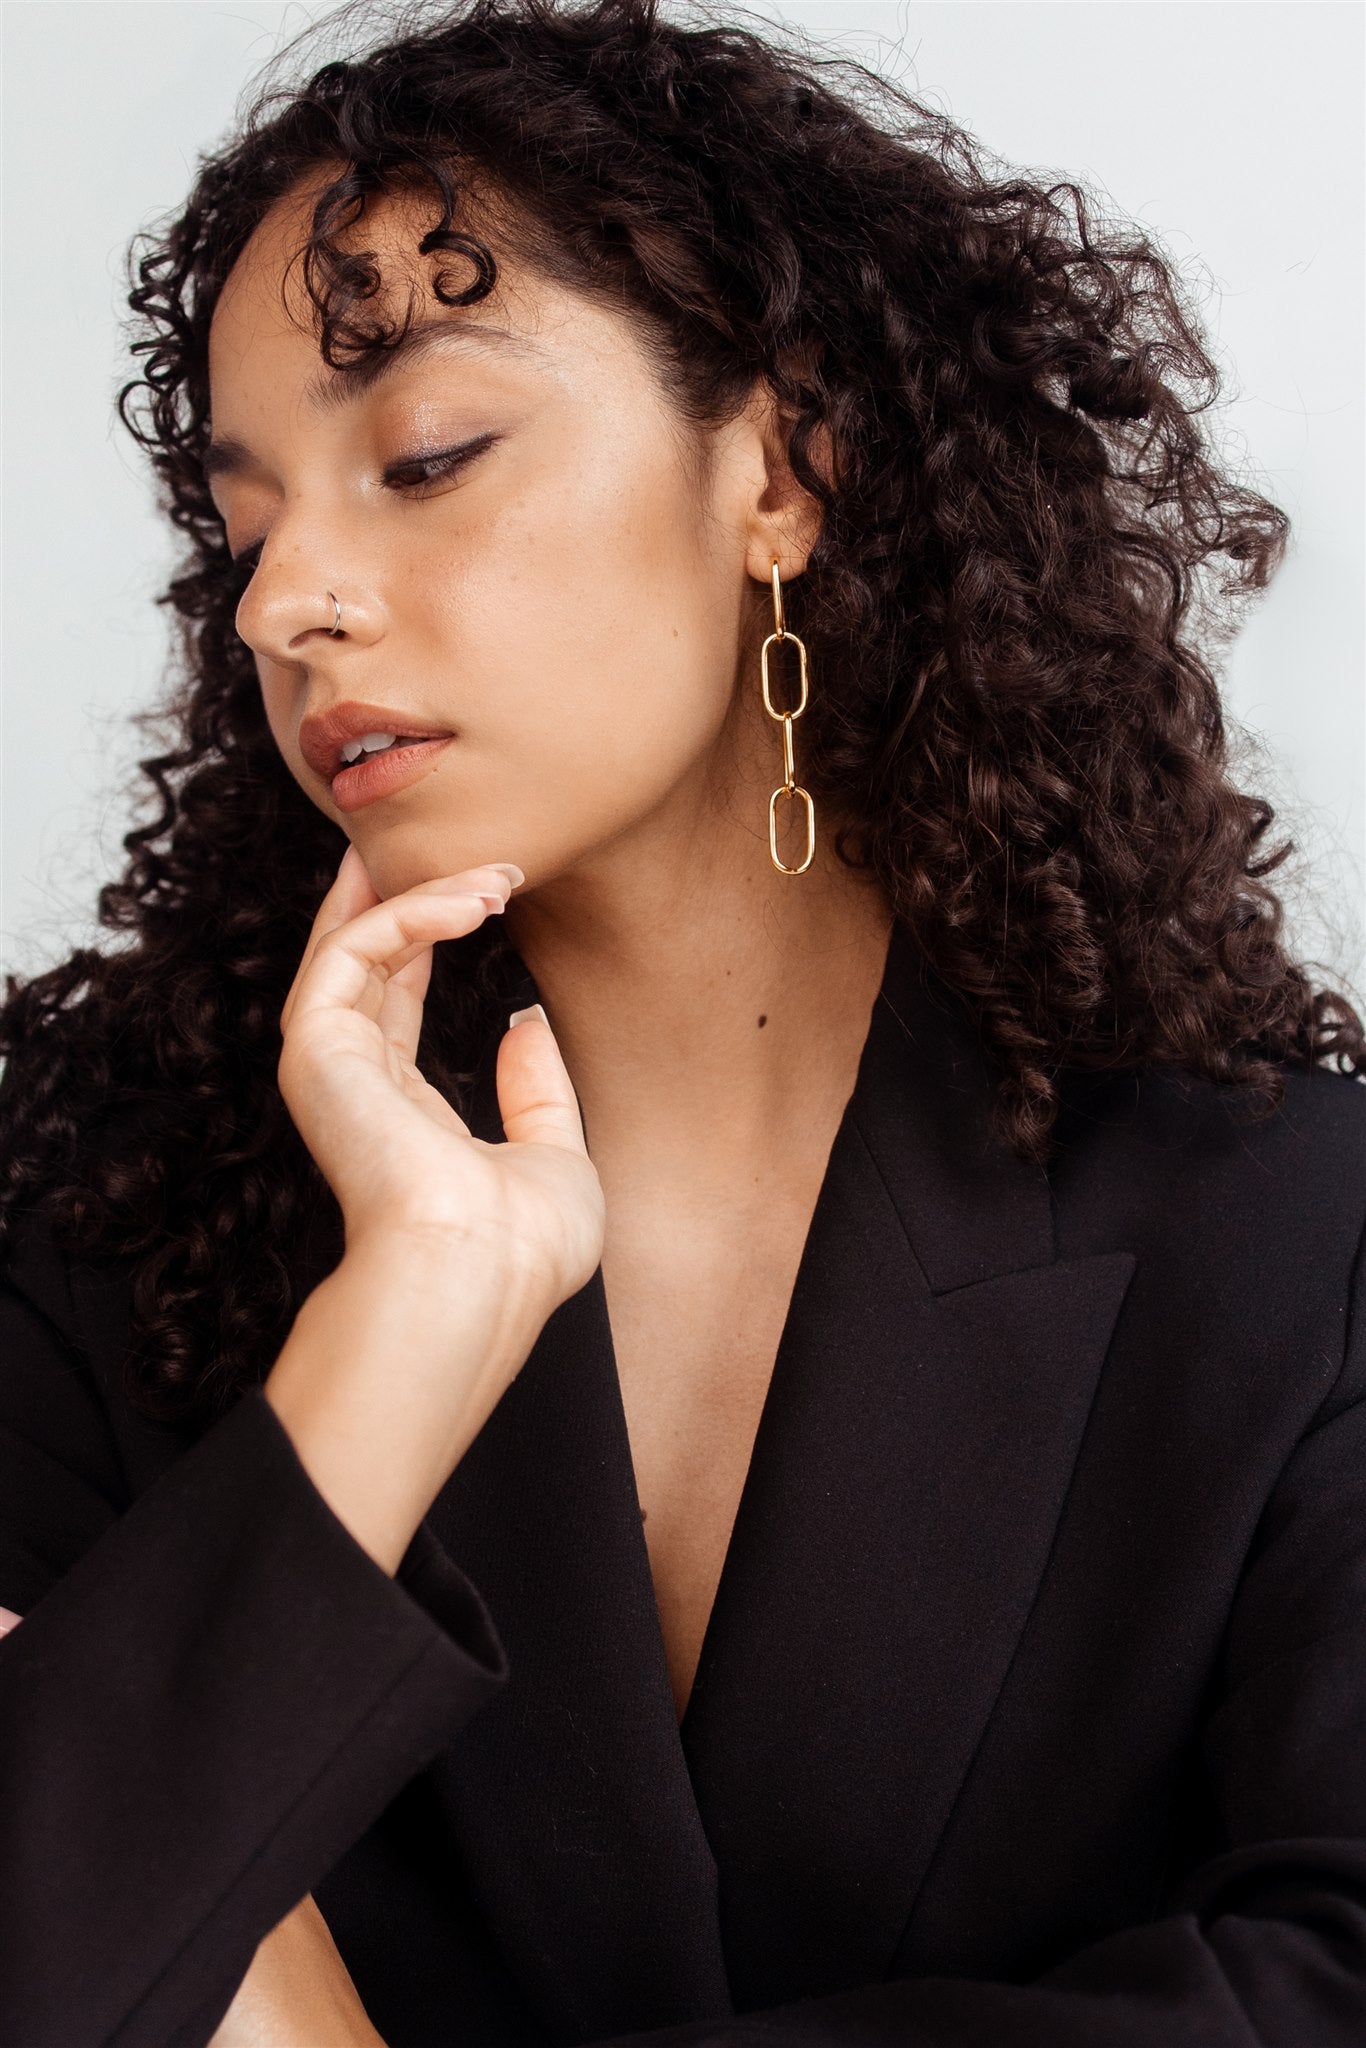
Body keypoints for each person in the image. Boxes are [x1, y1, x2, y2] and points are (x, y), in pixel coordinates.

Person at [1, 0, 1363, 2043]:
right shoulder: (93, 1216)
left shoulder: (1293, 1238)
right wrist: (403, 1327)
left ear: (784, 471)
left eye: (426, 459)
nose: (287, 603)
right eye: (249, 527)